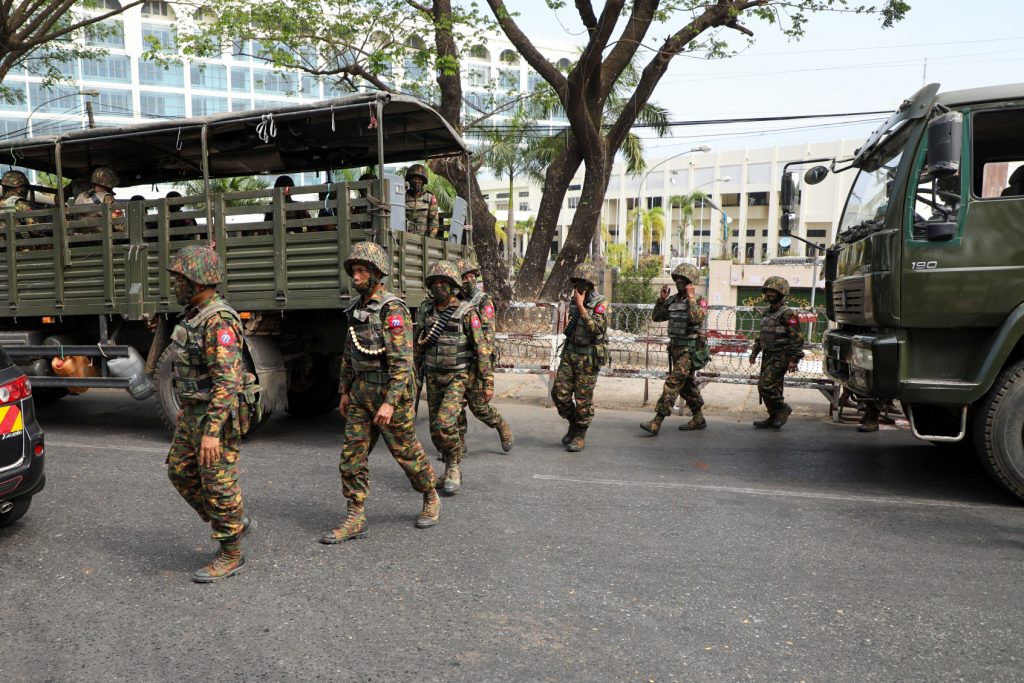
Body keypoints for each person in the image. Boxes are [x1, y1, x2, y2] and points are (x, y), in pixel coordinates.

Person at [322, 241, 440, 543]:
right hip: (361, 394)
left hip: (390, 395)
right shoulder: (356, 309)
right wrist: (344, 391)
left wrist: (390, 402)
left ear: (377, 274)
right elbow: (349, 352)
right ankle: (355, 515)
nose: (356, 276)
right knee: (351, 458)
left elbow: (403, 362)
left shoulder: (393, 310)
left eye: (362, 271)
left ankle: (429, 494)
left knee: (407, 455)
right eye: (354, 271)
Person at [164, 245, 255, 582]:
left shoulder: (219, 320)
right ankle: (233, 522)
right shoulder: (194, 315)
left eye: (180, 280)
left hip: (215, 415)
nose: (176, 286)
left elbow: (228, 380)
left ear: (198, 282)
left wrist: (212, 430)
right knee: (179, 471)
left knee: (218, 485)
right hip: (194, 412)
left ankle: (231, 552)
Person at [415, 260, 492, 495]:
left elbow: (481, 349)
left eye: (444, 282)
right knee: (434, 431)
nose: (439, 286)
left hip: (457, 378)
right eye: (435, 282)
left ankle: (453, 467)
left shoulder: (467, 312)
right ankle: (450, 460)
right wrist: (414, 375)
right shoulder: (425, 310)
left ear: (453, 285)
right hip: (433, 377)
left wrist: (487, 381)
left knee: (446, 424)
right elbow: (418, 344)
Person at [454, 257, 513, 455]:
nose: (468, 280)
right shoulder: (453, 301)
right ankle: (458, 443)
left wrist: (487, 375)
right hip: (457, 361)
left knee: (478, 406)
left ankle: (500, 425)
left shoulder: (483, 301)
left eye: (471, 276)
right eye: (464, 276)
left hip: (476, 361)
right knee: (455, 404)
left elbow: (487, 338)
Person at [641, 263, 708, 435]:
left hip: (690, 350)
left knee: (672, 384)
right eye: (676, 278)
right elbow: (656, 317)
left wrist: (692, 298)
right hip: (675, 349)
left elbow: (696, 319)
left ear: (690, 282)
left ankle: (657, 421)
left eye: (682, 279)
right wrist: (661, 300)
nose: (678, 282)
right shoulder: (673, 300)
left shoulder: (699, 300)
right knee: (686, 386)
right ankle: (698, 417)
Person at [551, 263, 609, 452]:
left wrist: (581, 308)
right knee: (559, 393)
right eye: (575, 282)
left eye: (580, 282)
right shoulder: (575, 301)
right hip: (570, 353)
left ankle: (580, 435)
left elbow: (597, 329)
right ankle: (574, 424)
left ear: (589, 283)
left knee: (583, 398)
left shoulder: (600, 303)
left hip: (588, 357)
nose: (577, 286)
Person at [749, 276, 805, 430]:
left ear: (782, 293)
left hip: (781, 355)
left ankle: (782, 409)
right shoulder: (767, 312)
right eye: (767, 291)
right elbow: (762, 334)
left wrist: (794, 358)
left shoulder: (787, 314)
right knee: (769, 387)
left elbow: (797, 338)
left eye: (773, 291)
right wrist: (755, 351)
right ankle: (773, 416)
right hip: (768, 354)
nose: (769, 294)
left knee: (765, 385)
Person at [73, 166, 122, 231]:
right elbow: (119, 226)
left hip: (80, 236)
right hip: (103, 237)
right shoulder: (108, 198)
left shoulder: (80, 196)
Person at [0, 171, 37, 241]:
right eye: (23, 187)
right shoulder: (19, 203)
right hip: (19, 246)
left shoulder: (1, 203)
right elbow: (34, 228)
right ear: (19, 188)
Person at [404, 163, 438, 237]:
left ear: (423, 182)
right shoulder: (403, 197)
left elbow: (434, 223)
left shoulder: (430, 198)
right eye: (414, 179)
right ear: (409, 180)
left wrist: (430, 240)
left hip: (423, 239)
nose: (416, 182)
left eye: (419, 179)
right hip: (406, 237)